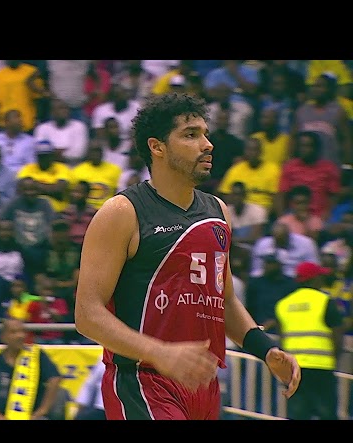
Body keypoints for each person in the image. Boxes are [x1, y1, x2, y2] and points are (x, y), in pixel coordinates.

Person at [74, 92, 302, 420]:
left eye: (205, 134)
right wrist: (159, 353)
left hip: (203, 387)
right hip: (144, 381)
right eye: (191, 134)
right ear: (157, 147)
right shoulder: (123, 212)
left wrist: (265, 350)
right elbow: (86, 314)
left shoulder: (218, 212)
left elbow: (223, 302)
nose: (207, 144)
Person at [275, 261, 345, 420]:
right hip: (321, 368)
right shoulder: (325, 301)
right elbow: (338, 336)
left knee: (298, 414)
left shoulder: (283, 304)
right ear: (313, 280)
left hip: (294, 370)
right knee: (327, 414)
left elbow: (282, 339)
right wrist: (336, 358)